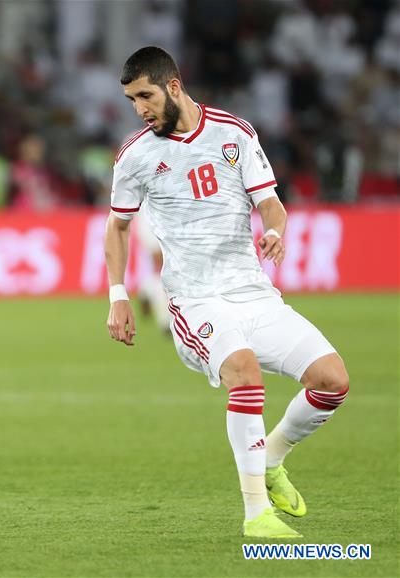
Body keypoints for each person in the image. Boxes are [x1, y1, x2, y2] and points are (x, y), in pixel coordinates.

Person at [105, 47, 349, 539]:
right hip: (195, 300)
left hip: (253, 292)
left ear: (173, 85)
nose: (140, 109)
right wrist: (118, 294)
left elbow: (272, 205)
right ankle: (257, 513)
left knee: (332, 381)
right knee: (245, 372)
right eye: (132, 100)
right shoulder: (135, 155)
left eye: (145, 96)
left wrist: (276, 231)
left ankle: (274, 459)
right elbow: (118, 227)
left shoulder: (233, 133)